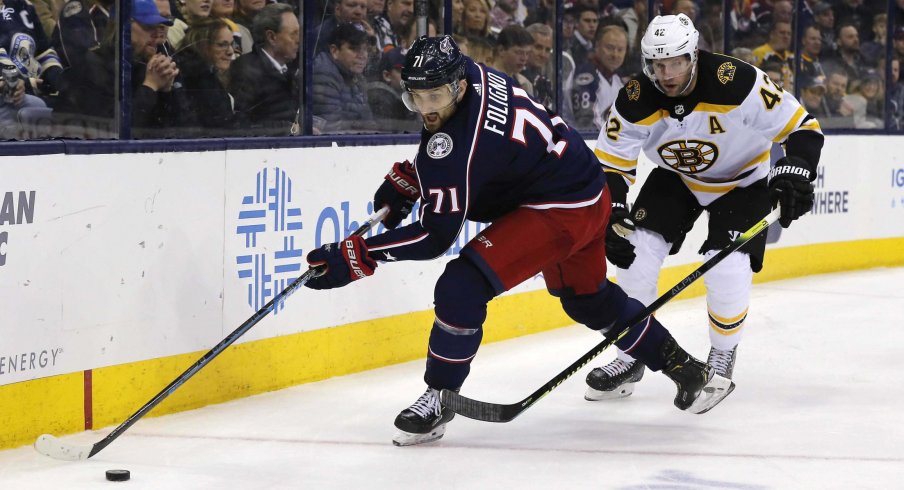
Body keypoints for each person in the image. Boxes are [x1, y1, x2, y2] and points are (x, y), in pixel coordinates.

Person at [302, 35, 736, 447]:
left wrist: (358, 254)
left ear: (455, 86)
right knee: (589, 300)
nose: (427, 108)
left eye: (435, 97)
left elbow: (435, 235)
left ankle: (438, 396)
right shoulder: (467, 72)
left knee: (460, 286)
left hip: (559, 209)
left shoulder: (460, 141)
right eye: (418, 97)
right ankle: (685, 367)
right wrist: (414, 178)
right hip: (586, 189)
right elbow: (464, 153)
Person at [585, 14, 823, 402]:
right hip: (676, 177)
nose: (667, 74)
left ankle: (723, 355)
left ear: (694, 55)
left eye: (676, 62)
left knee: (726, 263)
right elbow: (612, 163)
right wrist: (609, 212)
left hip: (742, 181)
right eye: (657, 65)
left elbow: (802, 128)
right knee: (635, 255)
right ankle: (632, 353)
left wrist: (795, 171)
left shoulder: (737, 81)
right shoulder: (636, 98)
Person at [229, 3, 300, 135]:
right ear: (272, 37)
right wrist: (289, 129)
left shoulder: (291, 71)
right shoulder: (246, 71)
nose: (298, 40)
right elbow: (242, 125)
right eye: (293, 34)